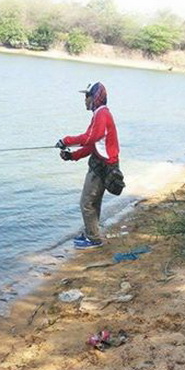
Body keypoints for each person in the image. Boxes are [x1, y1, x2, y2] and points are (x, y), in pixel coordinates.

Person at [56, 82, 120, 249]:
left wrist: (66, 140)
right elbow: (93, 145)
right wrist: (72, 155)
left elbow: (90, 137)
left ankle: (93, 239)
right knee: (94, 202)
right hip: (101, 163)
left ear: (95, 98)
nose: (84, 100)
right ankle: (92, 233)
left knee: (86, 202)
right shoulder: (100, 114)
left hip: (103, 166)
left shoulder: (102, 114)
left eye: (87, 96)